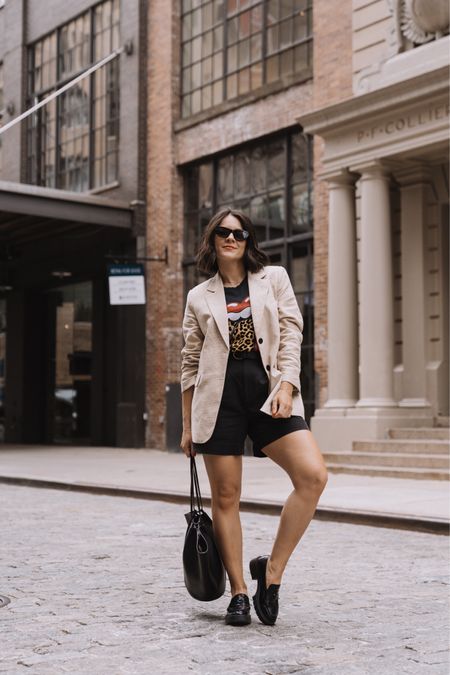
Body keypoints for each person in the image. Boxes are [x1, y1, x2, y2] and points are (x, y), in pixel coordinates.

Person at [180, 207, 328, 627]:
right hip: (219, 399)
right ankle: (239, 593)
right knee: (225, 498)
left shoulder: (274, 278)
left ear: (249, 240)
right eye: (224, 233)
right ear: (212, 240)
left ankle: (271, 571)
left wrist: (287, 385)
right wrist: (188, 426)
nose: (232, 238)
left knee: (313, 476)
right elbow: (189, 363)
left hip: (268, 393)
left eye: (240, 233)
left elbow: (292, 332)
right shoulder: (198, 295)